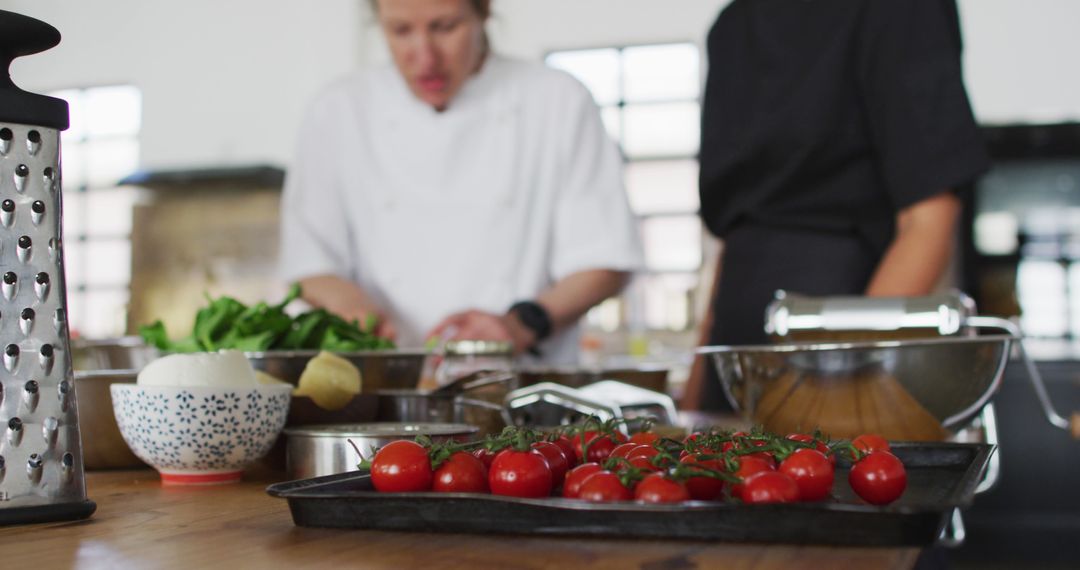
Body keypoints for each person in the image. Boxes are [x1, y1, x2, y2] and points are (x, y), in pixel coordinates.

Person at [279, 0, 643, 364]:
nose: (425, 57)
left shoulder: (558, 99)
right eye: (401, 30)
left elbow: (604, 259)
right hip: (389, 384)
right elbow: (309, 263)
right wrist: (351, 306)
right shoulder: (338, 109)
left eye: (445, 27)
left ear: (483, 13)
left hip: (522, 383)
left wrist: (520, 324)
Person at [686, 0, 990, 410]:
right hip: (734, 358)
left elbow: (928, 220)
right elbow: (733, 242)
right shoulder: (732, 25)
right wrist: (694, 400)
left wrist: (846, 387)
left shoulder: (902, 10)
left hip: (841, 335)